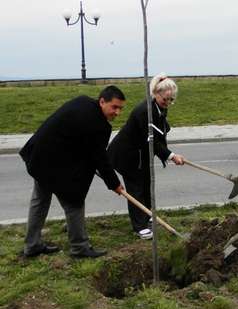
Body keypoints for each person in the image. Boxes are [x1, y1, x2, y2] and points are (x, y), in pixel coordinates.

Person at [20, 85, 126, 258]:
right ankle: (79, 247)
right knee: (74, 202)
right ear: (102, 101)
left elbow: (82, 145)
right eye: (114, 107)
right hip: (49, 160)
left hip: (40, 155)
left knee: (40, 200)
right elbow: (100, 158)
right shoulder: (99, 125)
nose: (117, 112)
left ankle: (31, 245)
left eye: (121, 108)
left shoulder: (83, 101)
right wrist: (114, 184)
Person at [108, 73, 185, 240]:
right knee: (136, 189)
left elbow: (160, 133)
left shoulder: (159, 108)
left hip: (142, 155)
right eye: (165, 99)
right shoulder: (145, 111)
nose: (168, 103)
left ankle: (147, 214)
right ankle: (139, 226)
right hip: (127, 155)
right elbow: (153, 142)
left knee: (146, 184)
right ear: (156, 94)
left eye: (171, 100)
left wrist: (170, 152)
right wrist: (171, 156)